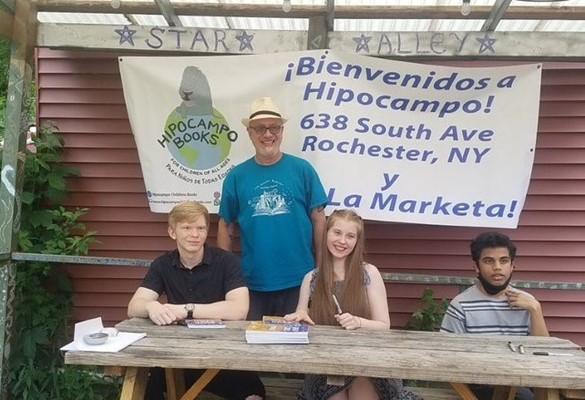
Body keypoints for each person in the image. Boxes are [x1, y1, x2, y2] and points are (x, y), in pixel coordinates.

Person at [127, 201, 265, 400]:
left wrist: (186, 310)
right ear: (172, 232)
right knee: (144, 387)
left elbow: (239, 309)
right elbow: (133, 306)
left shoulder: (226, 262)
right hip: (177, 358)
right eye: (187, 228)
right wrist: (151, 306)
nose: (195, 234)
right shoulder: (162, 265)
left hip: (223, 357)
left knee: (254, 394)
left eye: (200, 228)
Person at [284, 209, 422, 400]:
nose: (342, 241)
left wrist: (358, 322)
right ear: (326, 234)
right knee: (336, 396)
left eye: (350, 236)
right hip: (326, 364)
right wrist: (299, 317)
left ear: (357, 241)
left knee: (361, 393)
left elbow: (384, 325)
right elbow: (302, 312)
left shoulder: (369, 273)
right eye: (337, 233)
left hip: (367, 360)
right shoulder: (311, 278)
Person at [217, 96, 328, 320]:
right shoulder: (236, 177)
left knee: (295, 348)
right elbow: (225, 226)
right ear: (249, 133)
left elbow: (319, 221)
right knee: (252, 349)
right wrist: (225, 276)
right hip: (252, 284)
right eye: (260, 128)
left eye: (274, 127)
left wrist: (320, 270)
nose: (268, 134)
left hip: (300, 280)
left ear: (282, 131)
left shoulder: (303, 170)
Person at [440, 231, 549, 400]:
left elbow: (544, 353)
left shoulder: (528, 303)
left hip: (519, 383)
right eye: (488, 261)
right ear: (476, 266)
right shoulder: (461, 305)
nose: (497, 267)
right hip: (475, 387)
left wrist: (536, 309)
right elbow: (446, 356)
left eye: (503, 261)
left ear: (513, 265)